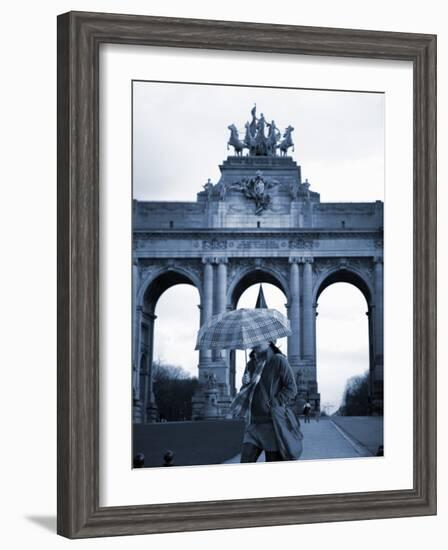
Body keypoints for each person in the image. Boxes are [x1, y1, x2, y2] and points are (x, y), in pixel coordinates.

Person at [238, 340, 297, 462]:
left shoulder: (278, 361)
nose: (255, 341)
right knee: (244, 462)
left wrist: (274, 402)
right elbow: (247, 393)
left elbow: (292, 388)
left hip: (272, 425)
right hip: (253, 425)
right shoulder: (250, 365)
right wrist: (245, 384)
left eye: (259, 338)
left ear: (269, 341)